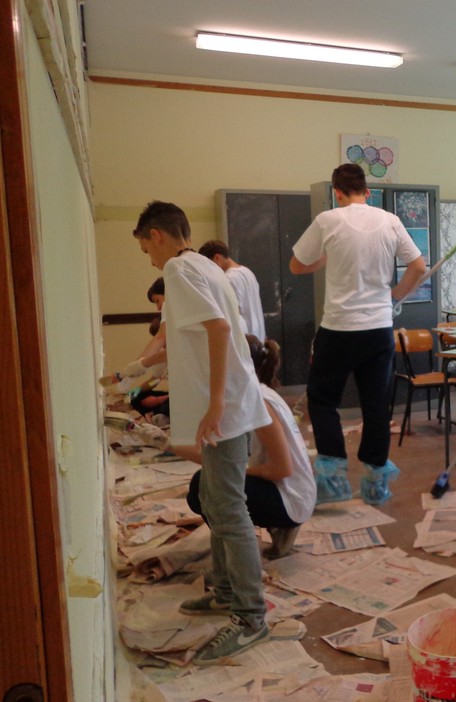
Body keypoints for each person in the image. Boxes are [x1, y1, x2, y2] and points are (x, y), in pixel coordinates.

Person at [132, 200, 272, 665]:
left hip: (225, 407)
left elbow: (217, 329)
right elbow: (182, 340)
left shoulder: (178, 269)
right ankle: (226, 590)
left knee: (228, 509)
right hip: (226, 403)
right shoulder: (205, 266)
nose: (149, 260)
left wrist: (215, 404)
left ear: (156, 235)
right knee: (214, 501)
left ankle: (251, 618)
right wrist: (131, 373)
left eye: (145, 249)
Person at [289, 163, 426, 505]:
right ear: (367, 192)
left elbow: (296, 265)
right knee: (377, 404)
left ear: (336, 193)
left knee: (323, 400)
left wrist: (325, 259)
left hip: (339, 328)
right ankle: (375, 483)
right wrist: (395, 295)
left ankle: (333, 478)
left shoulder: (328, 220)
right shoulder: (390, 220)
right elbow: (418, 267)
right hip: (378, 329)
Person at [180, 335, 316, 560]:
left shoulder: (257, 400)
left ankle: (244, 552)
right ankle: (241, 546)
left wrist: (237, 472)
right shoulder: (250, 395)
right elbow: (214, 457)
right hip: (280, 488)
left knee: (206, 484)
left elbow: (282, 469)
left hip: (291, 497)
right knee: (204, 484)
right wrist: (162, 442)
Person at [198, 240, 266, 342]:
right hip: (259, 336)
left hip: (247, 340)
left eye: (208, 265)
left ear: (217, 258)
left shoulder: (228, 279)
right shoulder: (248, 272)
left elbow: (232, 315)